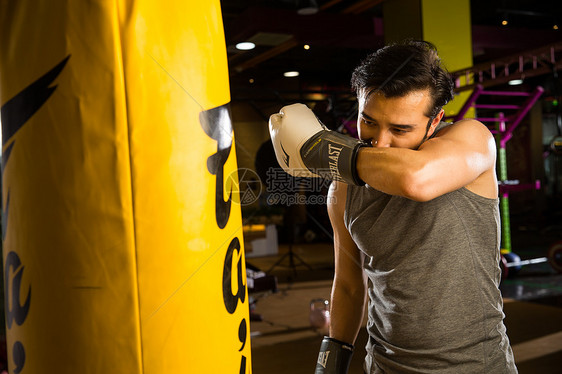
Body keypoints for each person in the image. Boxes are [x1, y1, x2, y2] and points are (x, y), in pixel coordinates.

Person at [268, 40, 517, 373]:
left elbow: (416, 180)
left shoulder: (470, 140)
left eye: (400, 129)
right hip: (384, 365)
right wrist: (330, 364)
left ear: (435, 120)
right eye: (368, 122)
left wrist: (320, 149)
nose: (380, 142)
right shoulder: (344, 187)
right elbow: (348, 284)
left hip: (475, 365)